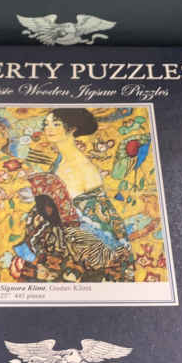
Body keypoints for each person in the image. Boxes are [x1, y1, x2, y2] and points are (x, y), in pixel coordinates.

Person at [11, 108, 134, 283]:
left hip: (81, 244)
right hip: (54, 237)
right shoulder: (60, 159)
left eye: (56, 124)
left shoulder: (82, 166)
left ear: (72, 129)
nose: (48, 129)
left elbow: (95, 215)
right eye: (46, 124)